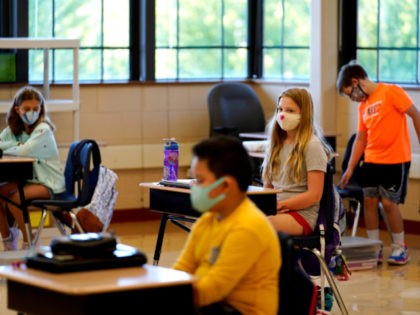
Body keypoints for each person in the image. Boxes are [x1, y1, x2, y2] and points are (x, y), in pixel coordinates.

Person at [172, 136, 281, 315]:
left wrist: (163, 298)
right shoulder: (208, 220)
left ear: (226, 186)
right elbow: (181, 270)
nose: (193, 186)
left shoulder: (248, 226)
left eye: (199, 180)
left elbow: (211, 290)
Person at [336, 60, 420, 265]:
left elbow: (415, 115)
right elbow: (361, 138)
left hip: (395, 160)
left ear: (356, 82)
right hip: (372, 160)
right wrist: (350, 168)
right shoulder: (363, 106)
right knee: (370, 202)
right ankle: (373, 248)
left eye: (350, 93)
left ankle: (400, 247)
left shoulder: (391, 91)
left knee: (389, 204)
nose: (352, 99)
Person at [0, 86, 65, 250]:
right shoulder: (13, 131)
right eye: (26, 109)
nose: (31, 112)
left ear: (41, 109)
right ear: (17, 109)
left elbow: (24, 151)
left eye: (36, 109)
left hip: (48, 184)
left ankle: (30, 238)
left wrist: (17, 147)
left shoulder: (43, 129)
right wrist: (17, 143)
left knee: (15, 198)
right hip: (29, 181)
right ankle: (8, 236)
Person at [261, 87, 333, 236]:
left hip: (302, 214)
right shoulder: (275, 144)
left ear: (304, 114)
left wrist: (282, 205)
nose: (282, 115)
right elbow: (267, 188)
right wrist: (267, 205)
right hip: (277, 210)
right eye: (280, 109)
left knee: (258, 226)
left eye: (290, 111)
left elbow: (314, 194)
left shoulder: (312, 145)